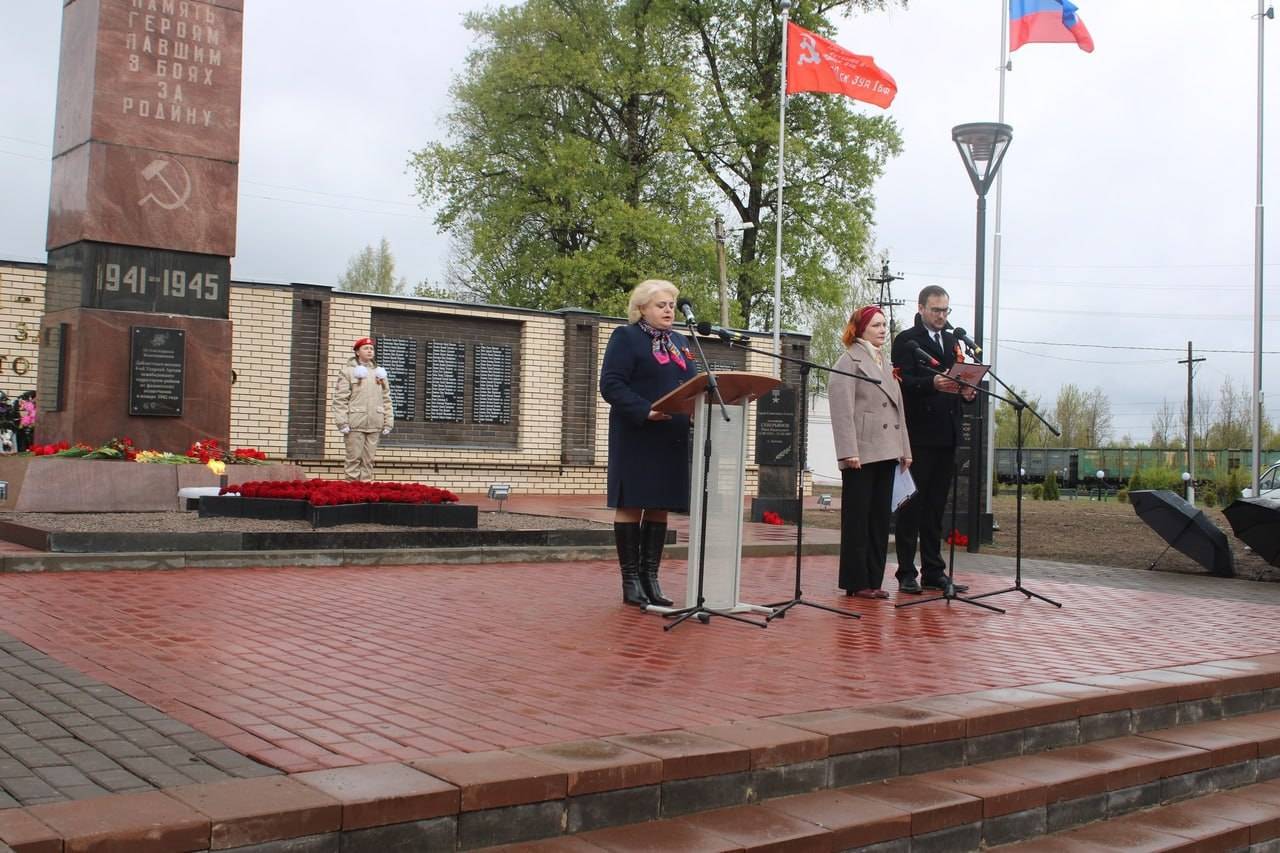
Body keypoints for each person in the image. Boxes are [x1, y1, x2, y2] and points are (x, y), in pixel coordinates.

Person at [599, 279, 698, 607]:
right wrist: (645, 410)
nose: (669, 310)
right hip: (638, 434)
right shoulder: (626, 337)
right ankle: (631, 582)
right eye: (661, 305)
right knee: (633, 503)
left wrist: (695, 410)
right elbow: (611, 385)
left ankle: (651, 579)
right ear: (641, 308)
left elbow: (691, 383)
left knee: (658, 505)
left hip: (671, 436)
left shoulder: (680, 341)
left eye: (671, 304)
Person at [891, 285, 976, 594]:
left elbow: (959, 382)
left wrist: (967, 393)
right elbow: (901, 382)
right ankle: (906, 571)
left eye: (945, 310)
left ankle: (933, 570)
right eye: (936, 310)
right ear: (921, 308)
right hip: (919, 434)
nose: (941, 316)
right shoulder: (907, 340)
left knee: (936, 506)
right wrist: (932, 384)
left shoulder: (953, 341)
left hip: (947, 432)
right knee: (912, 505)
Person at [829, 306, 911, 599]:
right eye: (876, 325)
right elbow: (842, 410)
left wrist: (905, 449)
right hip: (861, 453)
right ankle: (856, 581)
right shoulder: (848, 361)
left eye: (884, 325)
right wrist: (848, 451)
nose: (882, 330)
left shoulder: (885, 363)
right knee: (857, 519)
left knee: (879, 520)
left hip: (887, 450)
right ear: (860, 328)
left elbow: (898, 409)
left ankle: (874, 580)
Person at [332, 337, 394, 481]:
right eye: (366, 348)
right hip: (355, 423)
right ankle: (352, 488)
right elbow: (340, 399)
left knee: (368, 461)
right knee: (353, 459)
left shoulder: (380, 373)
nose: (370, 351)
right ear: (357, 352)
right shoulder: (348, 372)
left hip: (375, 422)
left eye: (371, 348)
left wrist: (388, 422)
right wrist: (342, 422)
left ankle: (366, 487)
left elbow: (386, 399)